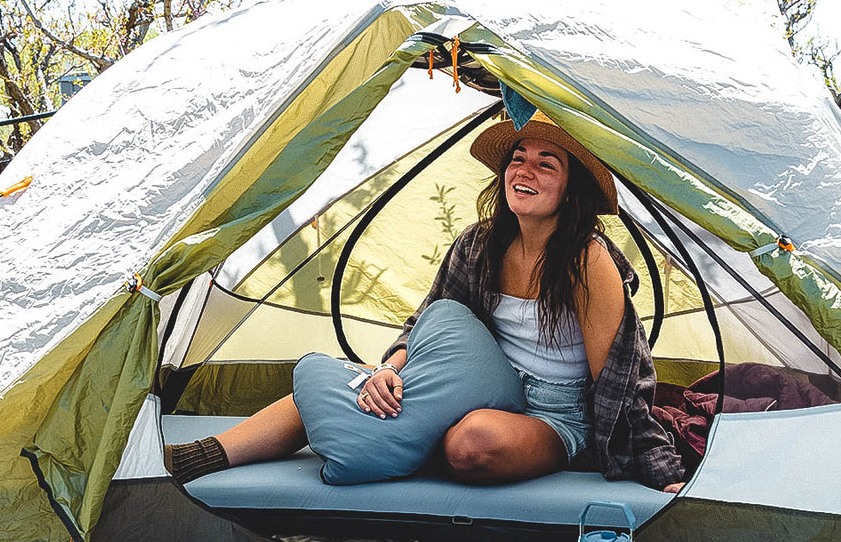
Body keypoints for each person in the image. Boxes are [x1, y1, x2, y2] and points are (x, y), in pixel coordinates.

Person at [166, 113, 687, 492]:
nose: (523, 172)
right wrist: (388, 367)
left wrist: (658, 467)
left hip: (553, 415)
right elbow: (429, 320)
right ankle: (208, 454)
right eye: (517, 159)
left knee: (472, 443)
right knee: (338, 391)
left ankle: (409, 444)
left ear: (570, 188)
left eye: (545, 165)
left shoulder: (587, 260)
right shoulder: (479, 246)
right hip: (474, 384)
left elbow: (622, 374)